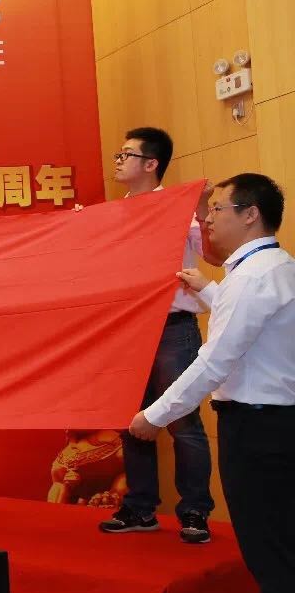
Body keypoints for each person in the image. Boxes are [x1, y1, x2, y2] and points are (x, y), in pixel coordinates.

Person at [128, 174, 295, 593]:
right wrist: (207, 288)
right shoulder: (270, 268)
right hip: (274, 425)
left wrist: (155, 415)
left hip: (258, 430)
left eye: (217, 208)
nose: (206, 219)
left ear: (250, 214)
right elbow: (247, 325)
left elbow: (215, 360)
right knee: (280, 550)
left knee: (272, 557)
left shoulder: (252, 278)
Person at [100, 128, 217, 543]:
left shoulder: (179, 209)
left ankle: (195, 511)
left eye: (126, 154)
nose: (118, 161)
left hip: (172, 328)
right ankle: (140, 507)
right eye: (118, 154)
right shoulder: (113, 215)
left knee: (182, 420)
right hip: (126, 330)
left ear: (151, 164)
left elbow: (213, 253)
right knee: (129, 420)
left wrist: (201, 208)